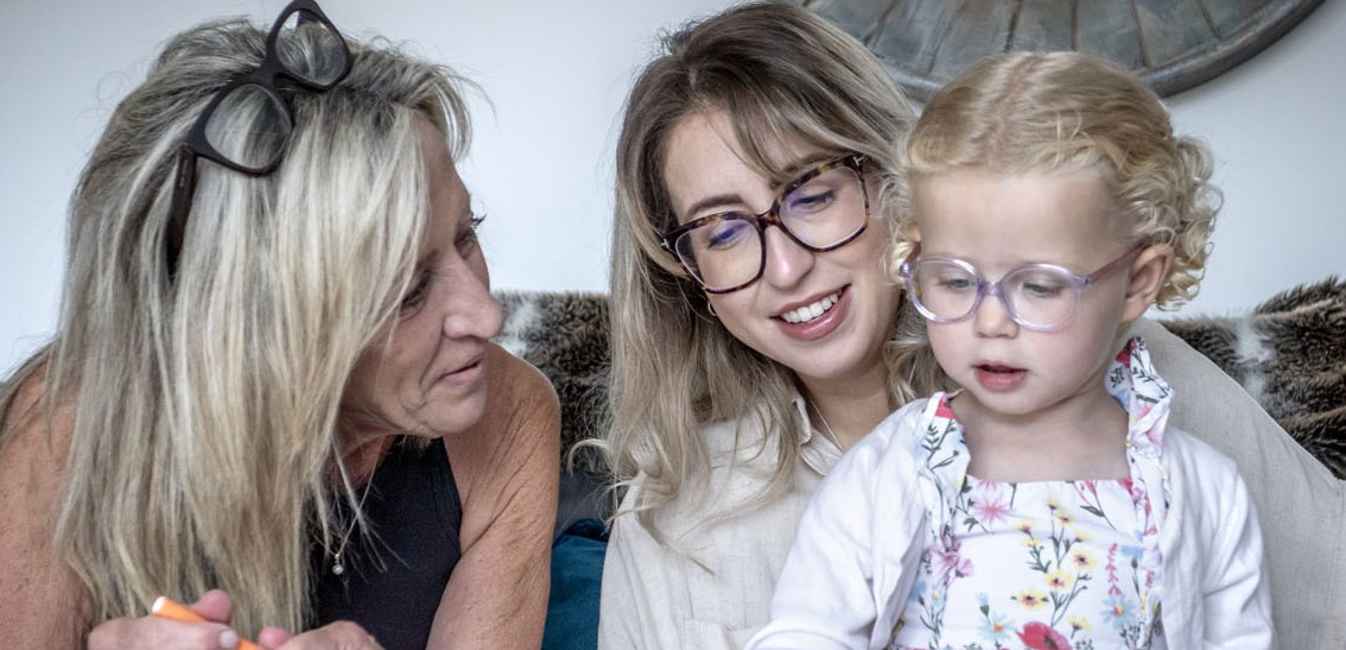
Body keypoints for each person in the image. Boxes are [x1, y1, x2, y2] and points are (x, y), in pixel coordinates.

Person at [598, 3, 1344, 649]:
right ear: (684, 269)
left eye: (813, 194)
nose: (788, 268)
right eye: (723, 231)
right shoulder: (674, 520)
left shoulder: (1126, 379)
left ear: (895, 182)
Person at [0, 2, 559, 648]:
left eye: (467, 237)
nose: (487, 316)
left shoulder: (510, 417)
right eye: (408, 292)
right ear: (262, 329)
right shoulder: (70, 435)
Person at [746, 51, 1271, 649]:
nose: (990, 321)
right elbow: (805, 633)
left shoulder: (1203, 493)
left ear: (1139, 280)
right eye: (956, 280)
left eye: (1040, 286)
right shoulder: (890, 472)